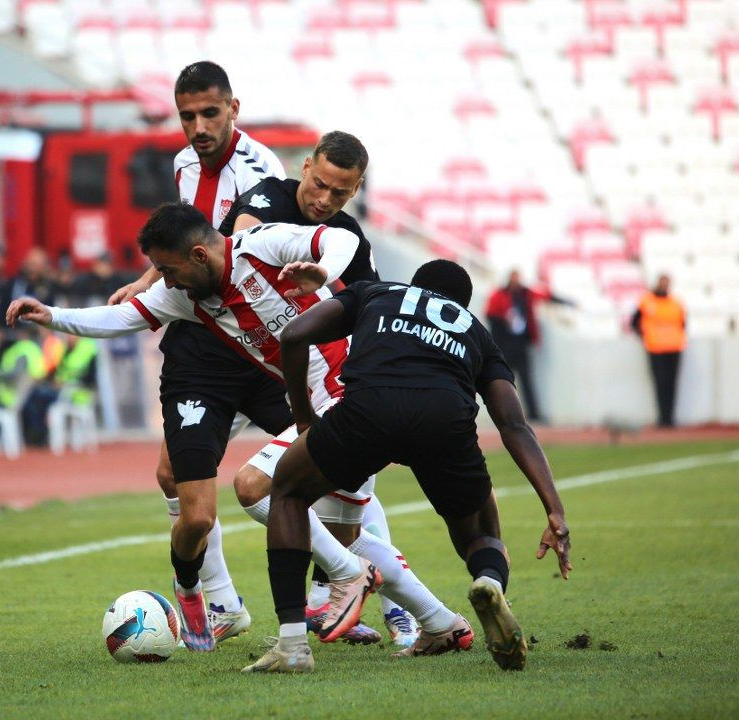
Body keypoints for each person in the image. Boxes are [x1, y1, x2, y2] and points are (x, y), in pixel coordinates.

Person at [7, 203, 461, 654]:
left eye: (168, 269)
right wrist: (52, 315)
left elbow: (341, 239)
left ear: (200, 256)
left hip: (352, 394)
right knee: (349, 532)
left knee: (255, 486)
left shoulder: (261, 247)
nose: (164, 281)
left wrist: (324, 272)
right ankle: (442, 622)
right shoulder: (184, 296)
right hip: (338, 406)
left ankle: (346, 575)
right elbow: (122, 317)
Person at [243, 260, 572, 674]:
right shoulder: (475, 330)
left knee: (288, 492)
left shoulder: (376, 293)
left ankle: (292, 644)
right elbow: (513, 424)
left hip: (369, 410)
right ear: (462, 304)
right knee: (481, 533)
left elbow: (294, 334)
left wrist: (305, 416)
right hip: (444, 419)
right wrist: (554, 510)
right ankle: (488, 582)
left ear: (413, 285)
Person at [106, 61, 290, 646]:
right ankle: (224, 605)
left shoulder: (263, 169)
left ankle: (372, 598)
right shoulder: (186, 166)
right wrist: (148, 279)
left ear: (235, 107)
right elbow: (191, 239)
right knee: (171, 475)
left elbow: (245, 248)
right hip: (205, 334)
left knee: (334, 459)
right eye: (188, 115)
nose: (199, 126)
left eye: (210, 112)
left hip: (256, 336)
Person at [222, 130, 419, 646]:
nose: (324, 199)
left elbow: (372, 311)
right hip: (238, 361)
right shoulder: (268, 198)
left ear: (354, 192)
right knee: (186, 475)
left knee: (337, 502)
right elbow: (239, 249)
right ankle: (220, 599)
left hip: (316, 378)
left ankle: (388, 605)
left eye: (340, 192)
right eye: (321, 184)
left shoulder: (349, 238)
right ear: (306, 166)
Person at [484, 269, 571, 422]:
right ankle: (502, 414)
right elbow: (491, 315)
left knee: (527, 381)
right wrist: (504, 323)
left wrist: (565, 302)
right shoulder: (499, 295)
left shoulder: (525, 294)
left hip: (521, 345)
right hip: (505, 345)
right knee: (502, 380)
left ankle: (533, 414)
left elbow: (544, 295)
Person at [630, 274, 686, 427]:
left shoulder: (676, 303)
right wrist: (644, 335)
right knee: (660, 383)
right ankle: (663, 418)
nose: (664, 286)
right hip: (655, 347)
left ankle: (670, 418)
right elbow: (634, 322)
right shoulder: (647, 301)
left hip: (674, 347)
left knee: (671, 383)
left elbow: (683, 323)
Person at [0, 248, 55, 328]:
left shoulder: (50, 289)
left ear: (44, 268)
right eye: (31, 264)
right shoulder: (11, 285)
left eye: (37, 265)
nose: (32, 269)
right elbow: (0, 311)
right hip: (13, 333)